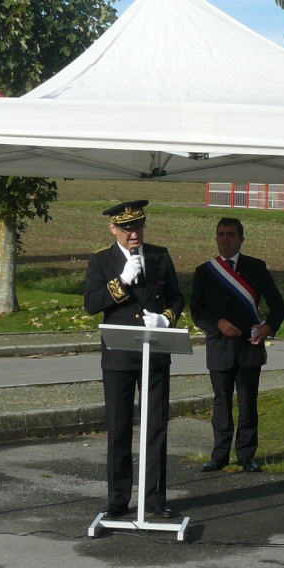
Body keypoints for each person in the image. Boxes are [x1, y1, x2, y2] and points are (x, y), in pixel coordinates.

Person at [83, 200, 184, 519]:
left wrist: (166, 319)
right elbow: (90, 304)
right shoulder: (101, 260)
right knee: (119, 426)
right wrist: (121, 282)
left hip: (154, 350)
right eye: (127, 229)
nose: (134, 234)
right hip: (119, 355)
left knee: (155, 426)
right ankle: (117, 498)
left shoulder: (159, 256)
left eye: (138, 226)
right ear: (113, 229)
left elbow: (178, 297)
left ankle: (154, 498)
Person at [191, 217, 284, 473]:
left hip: (249, 346)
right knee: (221, 403)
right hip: (220, 345)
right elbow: (196, 312)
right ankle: (219, 455)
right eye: (221, 234)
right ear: (216, 238)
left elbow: (278, 305)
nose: (225, 239)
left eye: (231, 234)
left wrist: (268, 328)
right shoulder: (205, 271)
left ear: (241, 239)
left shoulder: (256, 268)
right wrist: (217, 323)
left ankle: (246, 455)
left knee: (248, 403)